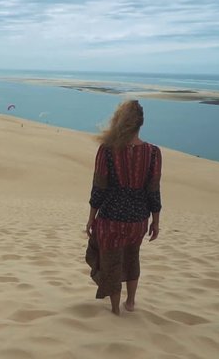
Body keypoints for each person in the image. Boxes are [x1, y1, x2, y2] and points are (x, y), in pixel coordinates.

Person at [85, 99, 162, 316]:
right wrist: (155, 221)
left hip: (111, 218)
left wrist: (91, 217)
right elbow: (153, 190)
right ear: (141, 124)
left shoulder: (107, 150)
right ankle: (131, 302)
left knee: (111, 263)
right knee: (132, 256)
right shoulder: (153, 152)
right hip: (138, 219)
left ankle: (115, 309)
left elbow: (98, 187)